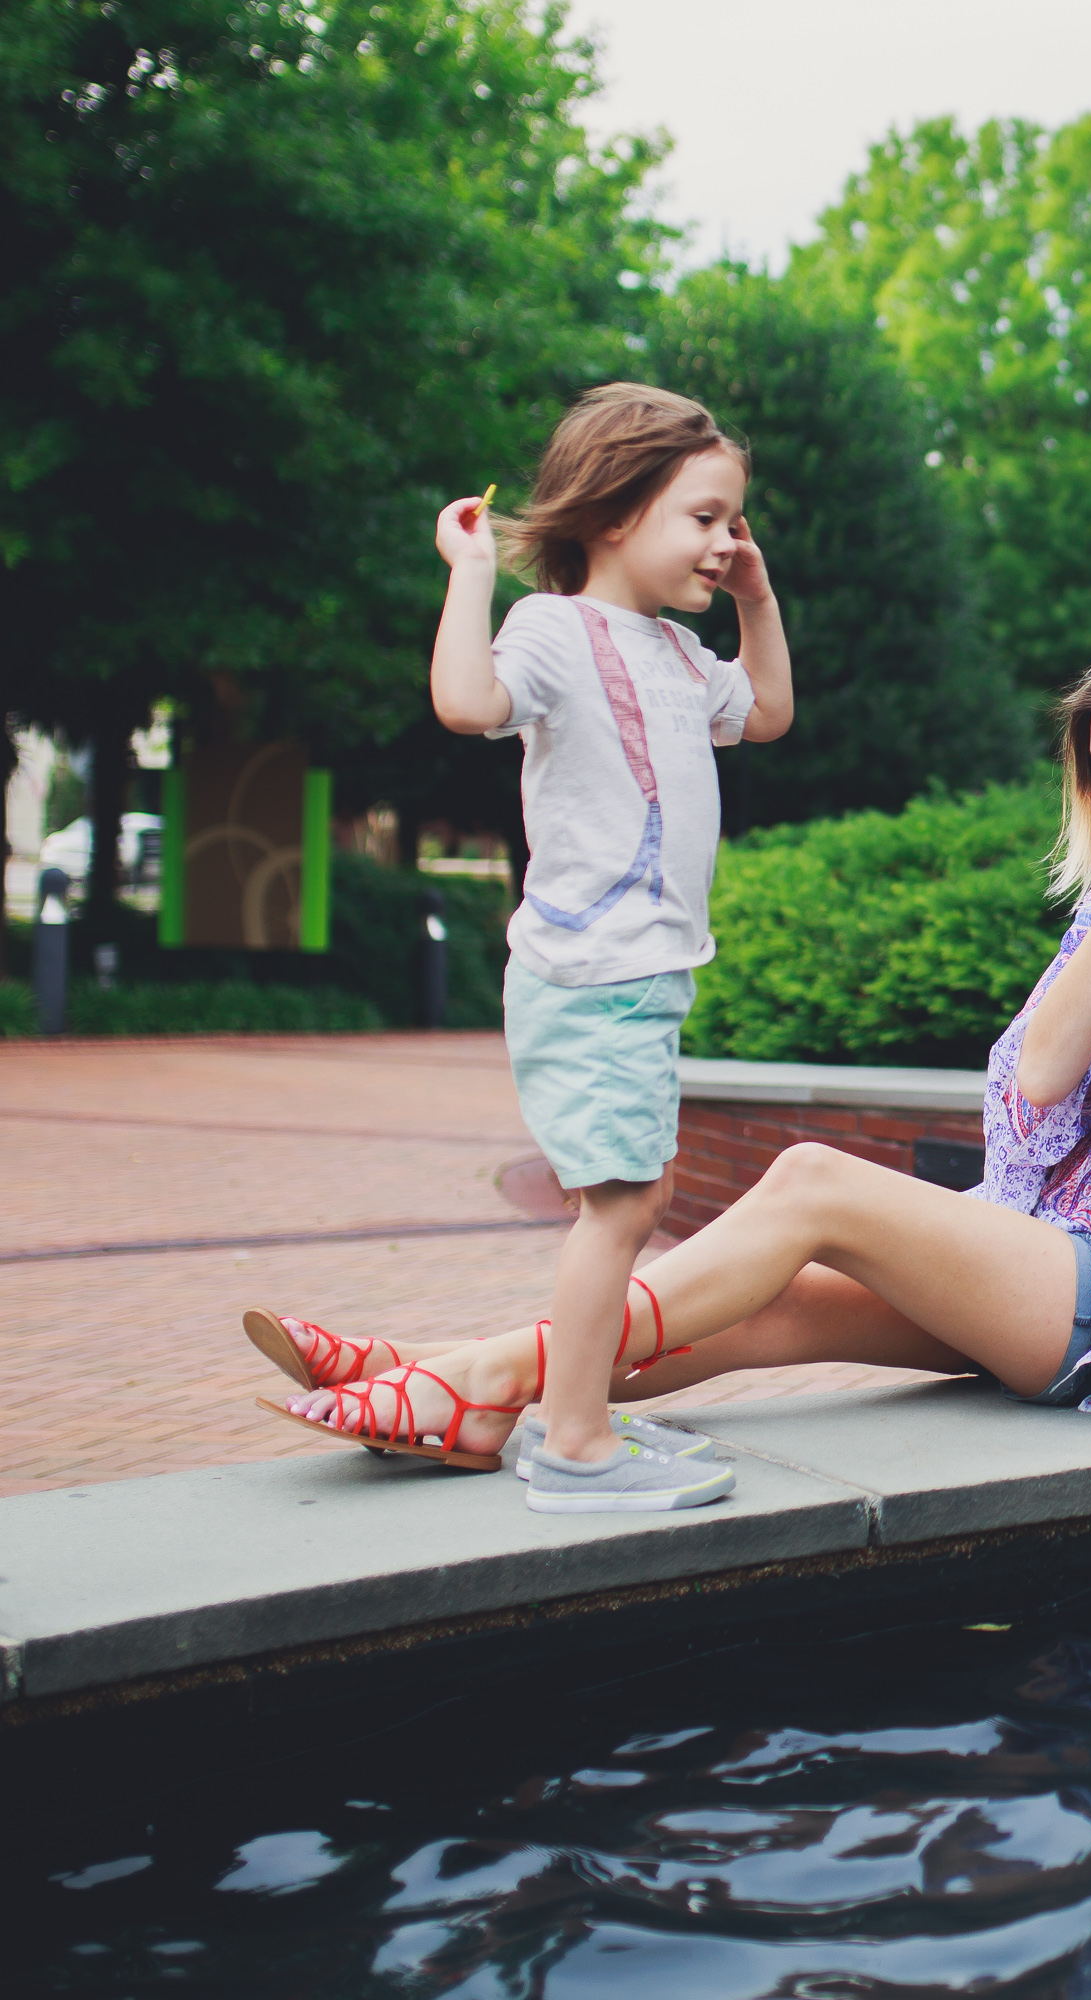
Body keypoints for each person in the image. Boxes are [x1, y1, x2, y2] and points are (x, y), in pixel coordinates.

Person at [263, 631, 1091, 1484]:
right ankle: (453, 1374)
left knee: (812, 1178)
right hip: (1045, 1259)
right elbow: (1040, 1085)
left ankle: (447, 1381)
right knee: (767, 1313)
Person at [259, 383, 795, 1513]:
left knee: (629, 1204)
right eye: (703, 518)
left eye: (732, 522)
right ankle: (575, 1442)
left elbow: (769, 711)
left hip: (641, 975)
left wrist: (757, 598)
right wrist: (468, 575)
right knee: (621, 1210)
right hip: (590, 975)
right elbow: (466, 699)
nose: (726, 541)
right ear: (612, 514)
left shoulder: (677, 653)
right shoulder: (556, 629)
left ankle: (569, 1417)